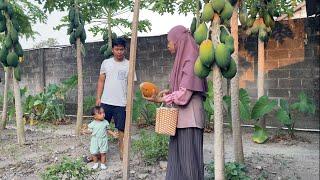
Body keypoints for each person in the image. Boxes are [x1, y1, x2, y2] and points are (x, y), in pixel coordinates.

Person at [143, 25, 207, 180]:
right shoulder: (185, 59)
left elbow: (185, 94)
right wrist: (169, 93)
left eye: (169, 41)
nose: (168, 45)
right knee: (178, 161)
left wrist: (161, 99)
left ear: (178, 41)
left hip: (189, 120)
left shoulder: (191, 59)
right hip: (181, 119)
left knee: (189, 162)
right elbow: (181, 88)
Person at [96, 37, 133, 161]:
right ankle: (98, 151)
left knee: (121, 128)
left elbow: (131, 85)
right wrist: (98, 98)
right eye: (117, 49)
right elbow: (101, 81)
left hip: (121, 103)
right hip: (106, 101)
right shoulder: (106, 63)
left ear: (125, 50)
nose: (119, 52)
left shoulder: (129, 64)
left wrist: (129, 101)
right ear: (112, 50)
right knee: (101, 127)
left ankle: (122, 150)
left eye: (121, 49)